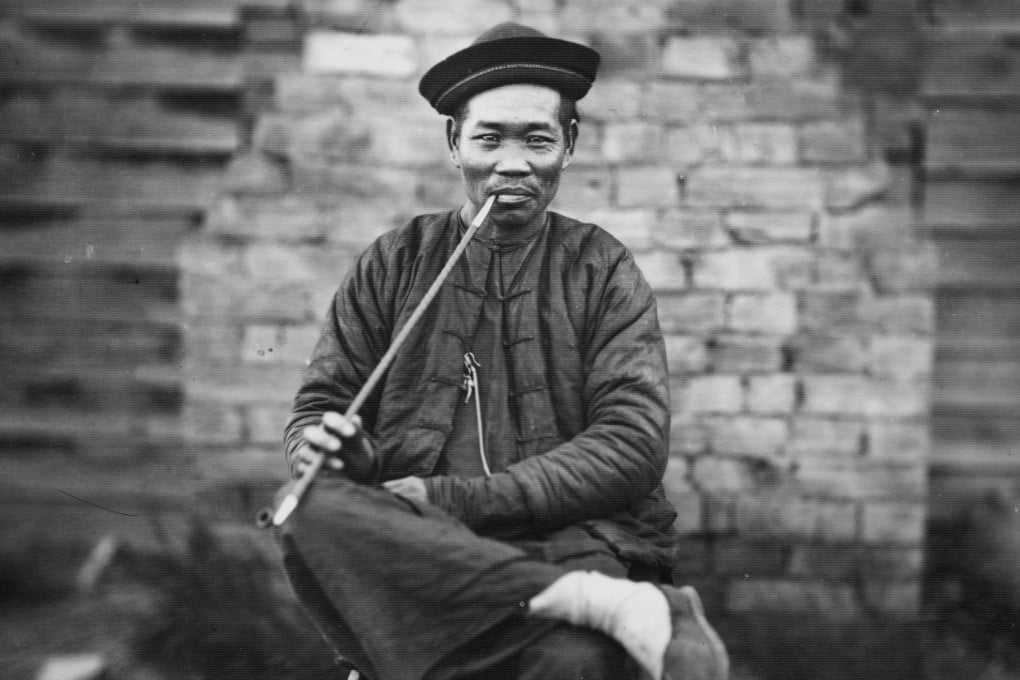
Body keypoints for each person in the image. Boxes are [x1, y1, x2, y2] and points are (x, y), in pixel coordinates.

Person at [277, 22, 729, 680]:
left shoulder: (602, 269)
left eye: (537, 138)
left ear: (568, 146)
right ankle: (602, 607)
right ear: (455, 143)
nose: (512, 164)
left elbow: (632, 446)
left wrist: (455, 499)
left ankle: (539, 612)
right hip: (426, 545)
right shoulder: (392, 262)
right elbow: (321, 406)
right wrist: (333, 447)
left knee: (572, 663)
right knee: (305, 505)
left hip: (566, 542)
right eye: (489, 138)